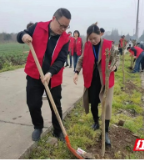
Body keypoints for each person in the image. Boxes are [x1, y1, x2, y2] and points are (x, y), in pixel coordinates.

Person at [17, 8, 71, 141]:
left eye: (66, 26)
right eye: (61, 25)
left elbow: (61, 59)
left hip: (53, 76)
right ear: (54, 19)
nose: (63, 29)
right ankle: (38, 126)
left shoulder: (65, 39)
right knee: (33, 103)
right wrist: (24, 36)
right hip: (34, 74)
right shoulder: (38, 27)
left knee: (55, 104)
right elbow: (21, 35)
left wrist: (50, 73)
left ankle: (58, 131)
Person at [73, 23, 119, 146]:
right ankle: (95, 122)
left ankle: (106, 132)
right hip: (92, 79)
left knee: (106, 105)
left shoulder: (109, 44)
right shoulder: (87, 45)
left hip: (106, 80)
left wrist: (114, 66)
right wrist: (76, 71)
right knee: (93, 103)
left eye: (95, 38)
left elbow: (116, 58)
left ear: (100, 34)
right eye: (90, 39)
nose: (93, 41)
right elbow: (81, 59)